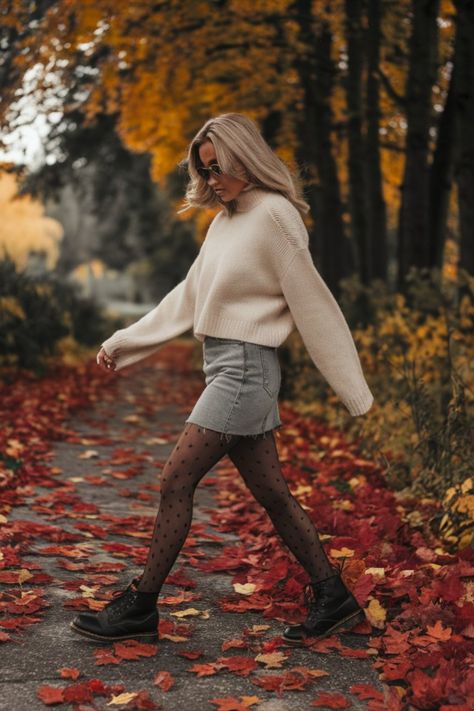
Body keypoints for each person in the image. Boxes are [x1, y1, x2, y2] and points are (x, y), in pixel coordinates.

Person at [70, 112, 373, 645]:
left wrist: (353, 390)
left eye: (220, 168)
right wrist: (125, 340)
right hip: (225, 368)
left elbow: (314, 304)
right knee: (274, 496)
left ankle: (142, 603)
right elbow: (187, 297)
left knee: (175, 480)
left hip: (245, 373)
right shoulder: (224, 222)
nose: (212, 180)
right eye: (205, 170)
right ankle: (334, 596)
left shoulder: (275, 217)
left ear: (245, 158)